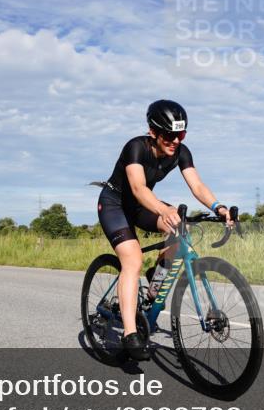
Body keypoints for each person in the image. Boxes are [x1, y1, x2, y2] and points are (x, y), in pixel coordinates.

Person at [96, 100, 233, 361]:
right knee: (132, 260)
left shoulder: (181, 152)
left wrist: (218, 207)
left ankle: (157, 275)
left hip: (140, 206)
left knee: (180, 228)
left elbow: (197, 186)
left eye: (180, 135)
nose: (174, 141)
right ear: (153, 132)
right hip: (115, 205)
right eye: (169, 135)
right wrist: (162, 209)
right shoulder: (135, 147)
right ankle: (130, 334)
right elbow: (138, 188)